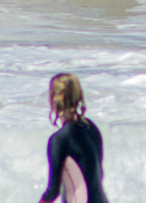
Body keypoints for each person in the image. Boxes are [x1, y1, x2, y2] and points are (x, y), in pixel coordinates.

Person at [38, 73, 109, 203]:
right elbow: (99, 175)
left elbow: (53, 192)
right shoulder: (92, 128)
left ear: (53, 98)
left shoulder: (59, 140)